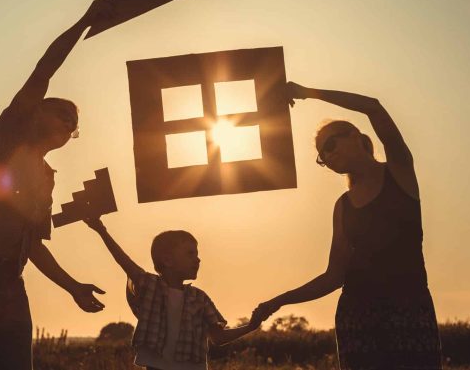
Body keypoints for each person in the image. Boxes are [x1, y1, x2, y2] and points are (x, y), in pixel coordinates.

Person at [0, 0, 114, 370]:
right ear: (35, 112)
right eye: (61, 112)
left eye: (72, 123)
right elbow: (44, 70)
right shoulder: (6, 138)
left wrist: (73, 287)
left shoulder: (46, 178)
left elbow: (31, 244)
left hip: (10, 281)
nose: (67, 123)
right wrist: (84, 21)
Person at [254, 82, 442, 369]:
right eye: (321, 156)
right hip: (358, 318)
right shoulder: (343, 207)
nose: (327, 157)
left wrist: (308, 92)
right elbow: (334, 276)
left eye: (330, 145)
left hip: (410, 311)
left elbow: (373, 106)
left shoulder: (399, 172)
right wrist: (279, 301)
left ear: (355, 136)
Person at [84, 216, 265, 370]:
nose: (198, 259)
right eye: (190, 254)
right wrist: (101, 230)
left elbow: (218, 337)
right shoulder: (150, 286)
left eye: (197, 254)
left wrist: (251, 326)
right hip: (156, 366)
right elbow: (123, 260)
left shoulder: (200, 298)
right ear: (168, 260)